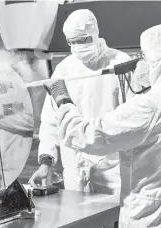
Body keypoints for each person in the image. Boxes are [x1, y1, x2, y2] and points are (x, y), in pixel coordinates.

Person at [45, 23, 161, 228]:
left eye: (144, 56)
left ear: (160, 57)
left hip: (158, 218)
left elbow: (89, 135)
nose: (140, 62)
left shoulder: (155, 103)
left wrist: (62, 98)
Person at [29, 9, 141, 195]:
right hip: (74, 167)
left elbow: (133, 119)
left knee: (113, 218)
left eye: (82, 40)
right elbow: (51, 120)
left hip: (112, 169)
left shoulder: (120, 65)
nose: (77, 46)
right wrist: (46, 162)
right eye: (71, 41)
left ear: (95, 34)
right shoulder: (64, 69)